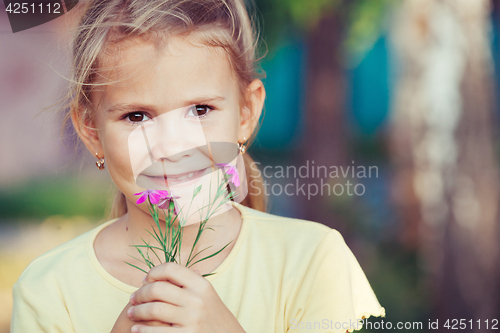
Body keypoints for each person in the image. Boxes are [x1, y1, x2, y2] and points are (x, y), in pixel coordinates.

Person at [10, 0, 386, 332]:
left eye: (200, 110)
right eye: (137, 116)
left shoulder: (312, 262)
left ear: (246, 113)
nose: (173, 147)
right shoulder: (48, 290)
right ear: (92, 132)